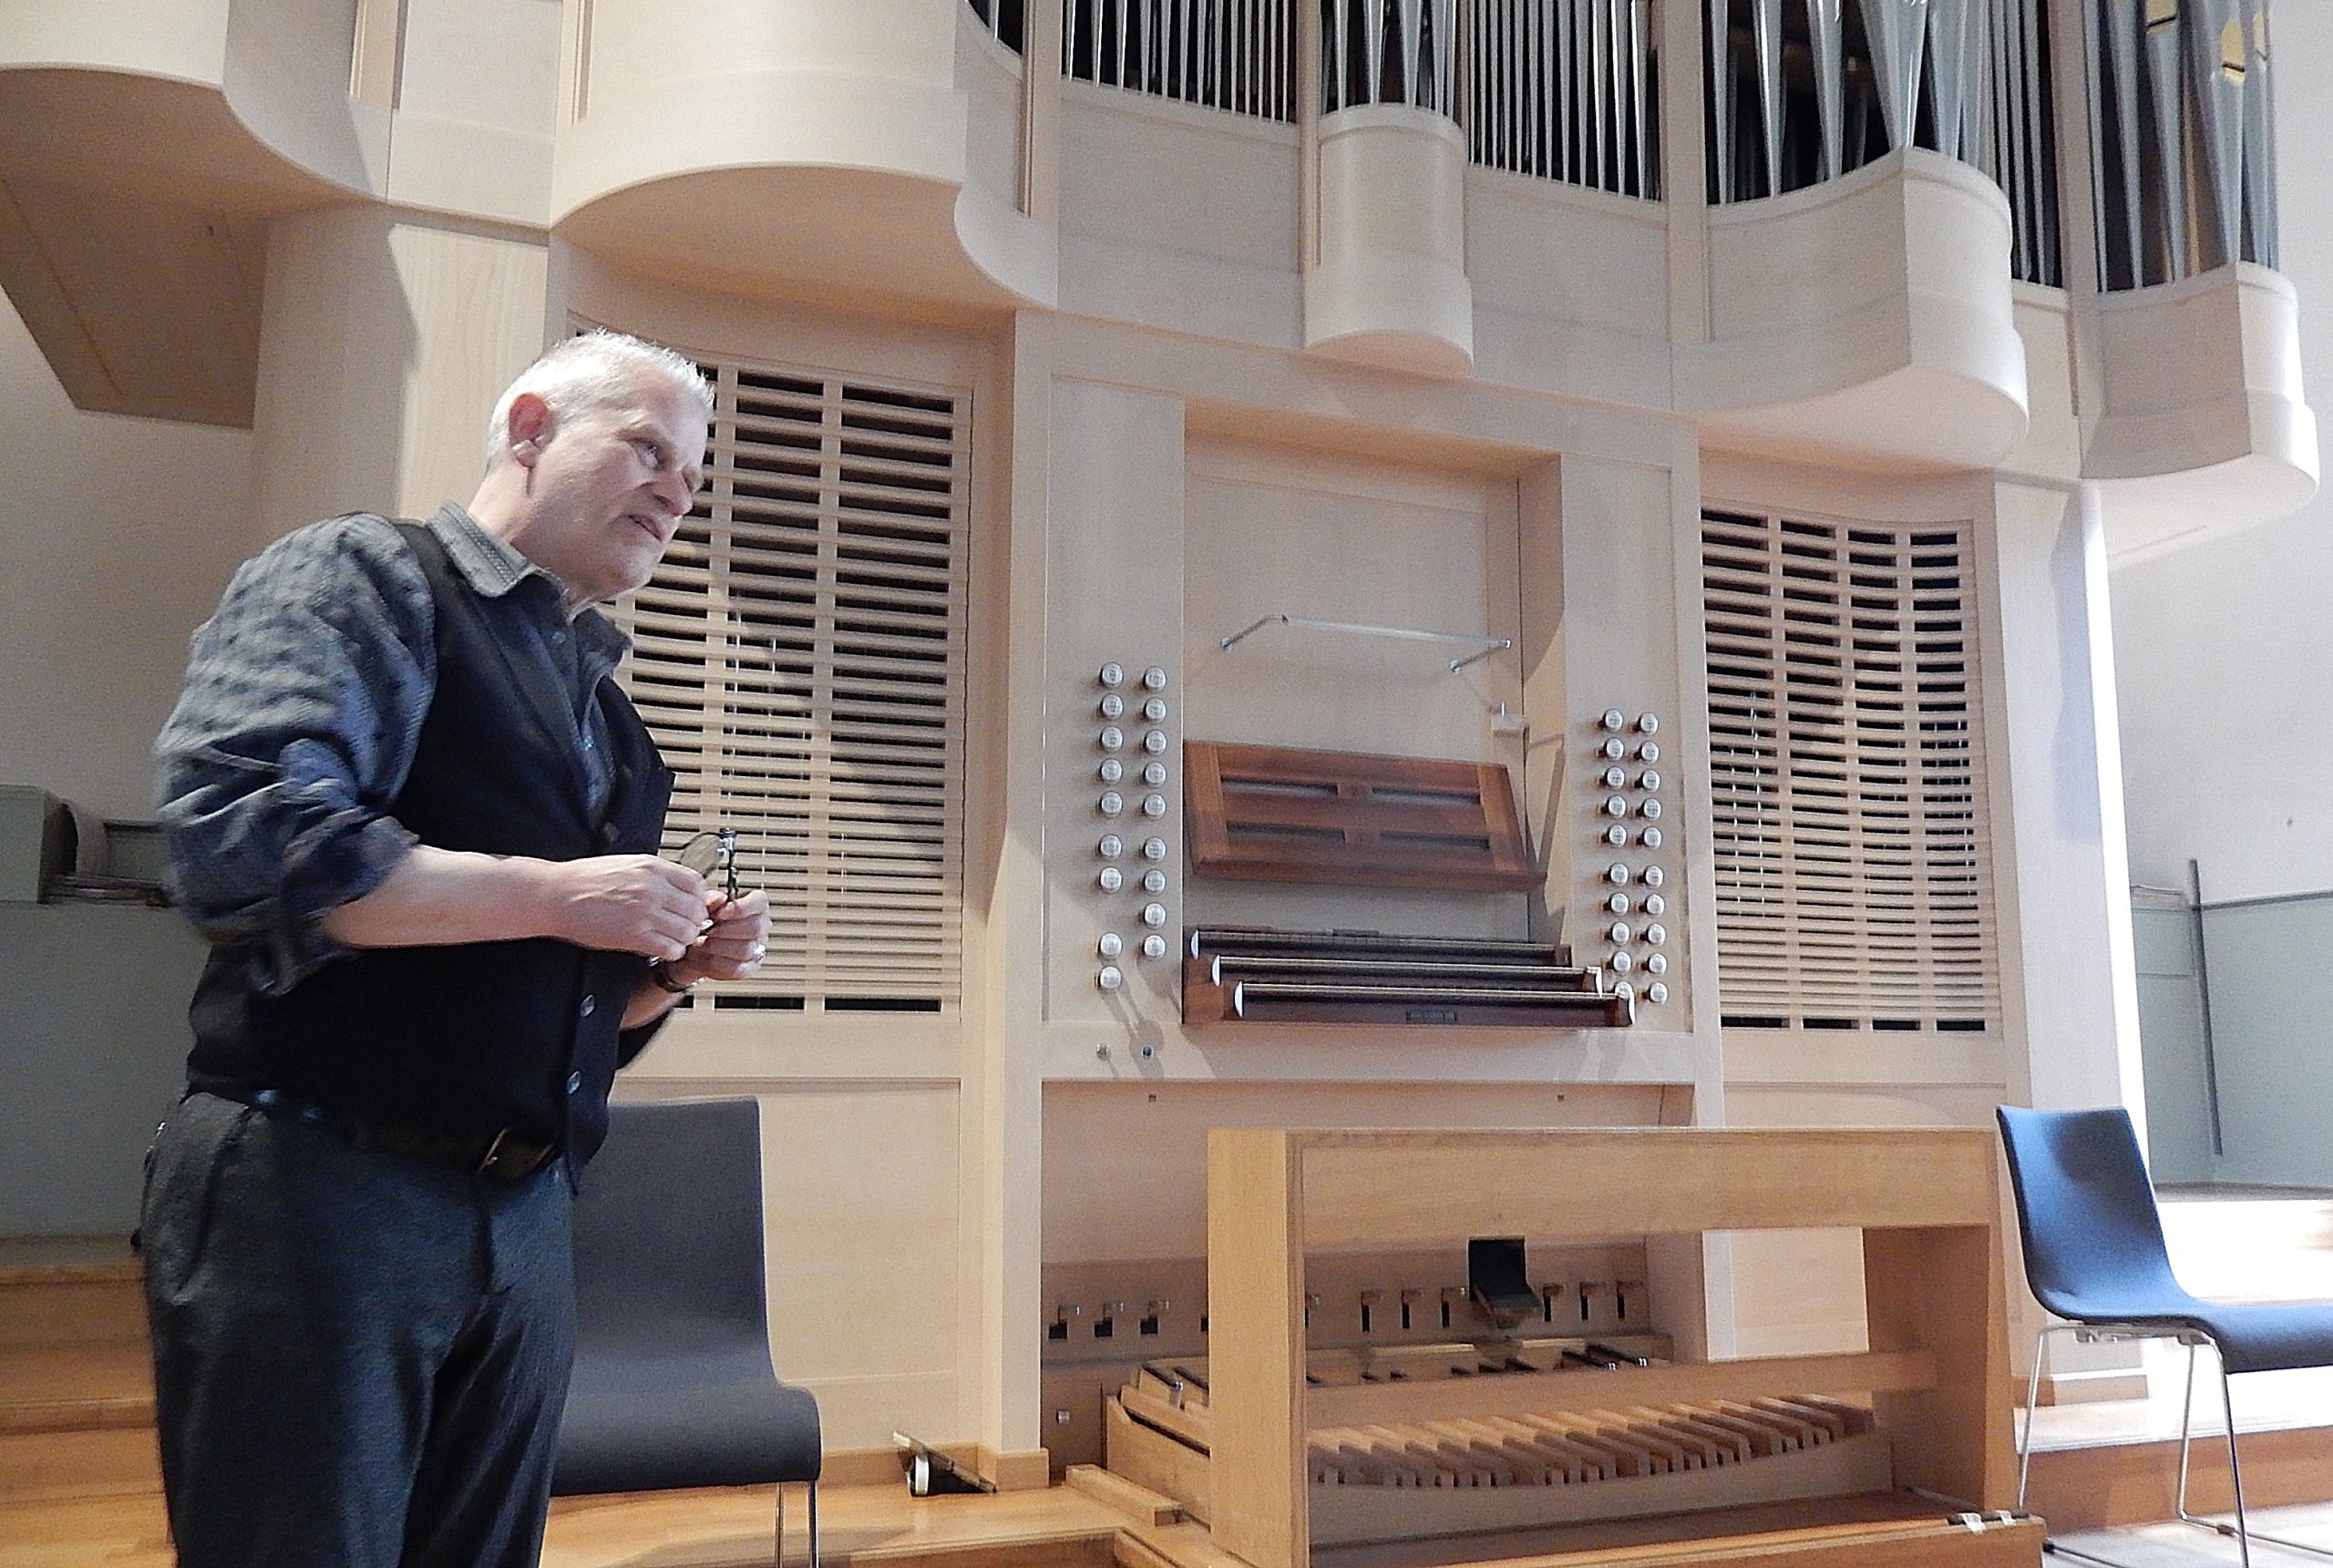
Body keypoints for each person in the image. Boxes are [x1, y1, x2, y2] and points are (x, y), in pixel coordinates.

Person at [141, 330, 768, 1568]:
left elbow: (578, 1017)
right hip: (322, 1188)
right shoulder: (365, 577)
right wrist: (557, 894)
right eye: (646, 447)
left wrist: (661, 969)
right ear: (530, 427)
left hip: (525, 1216)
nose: (676, 490)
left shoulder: (613, 722)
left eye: (691, 476)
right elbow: (247, 838)